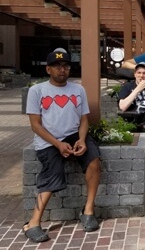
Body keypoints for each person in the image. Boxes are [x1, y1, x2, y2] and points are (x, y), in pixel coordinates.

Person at [24, 48, 101, 242]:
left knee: (94, 161)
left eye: (66, 66)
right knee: (52, 174)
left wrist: (82, 140)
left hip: (74, 135)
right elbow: (35, 125)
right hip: (48, 140)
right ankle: (33, 222)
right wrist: (58, 144)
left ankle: (88, 210)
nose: (62, 70)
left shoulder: (78, 89)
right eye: (57, 66)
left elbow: (84, 119)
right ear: (48, 69)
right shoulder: (37, 90)